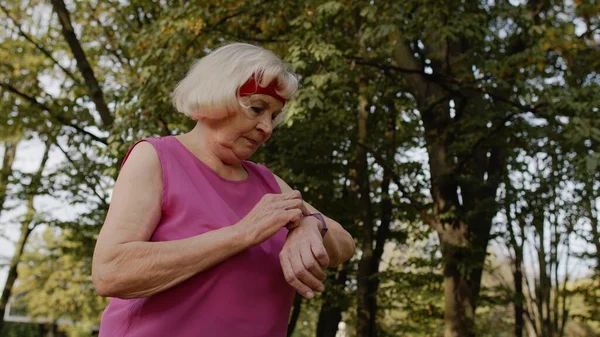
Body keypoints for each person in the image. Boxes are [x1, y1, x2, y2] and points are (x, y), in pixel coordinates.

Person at [92, 42, 355, 337]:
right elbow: (110, 272)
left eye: (273, 116)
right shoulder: (156, 157)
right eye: (257, 109)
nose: (267, 128)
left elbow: (345, 243)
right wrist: (241, 234)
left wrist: (310, 224)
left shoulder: (267, 182)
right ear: (217, 98)